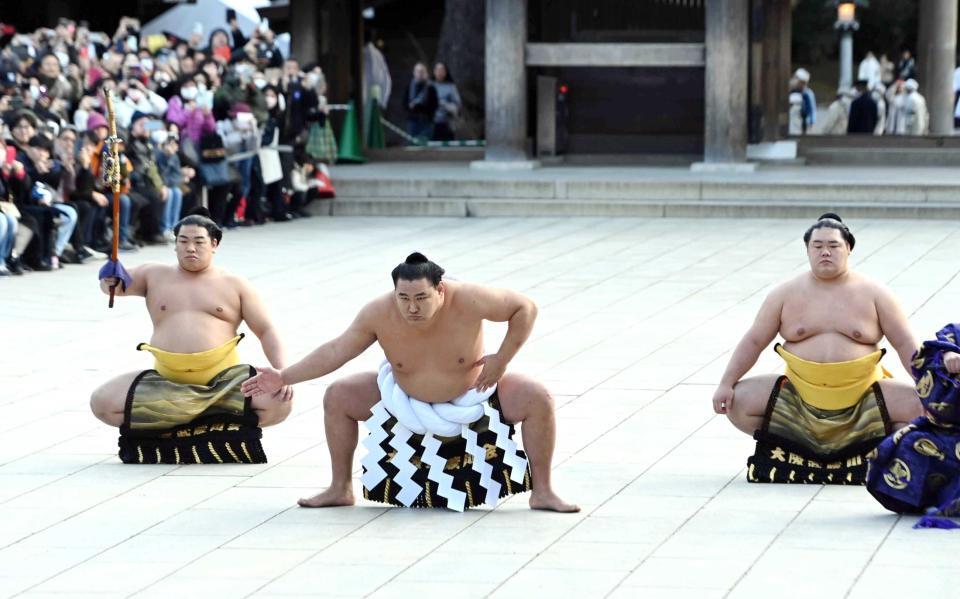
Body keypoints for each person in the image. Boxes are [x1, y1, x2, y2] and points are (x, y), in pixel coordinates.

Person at [242, 252, 579, 512]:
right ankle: (340, 488)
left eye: (421, 297)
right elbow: (337, 350)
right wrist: (284, 376)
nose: (411, 307)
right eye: (404, 298)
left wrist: (502, 359)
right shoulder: (379, 312)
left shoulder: (469, 299)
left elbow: (525, 308)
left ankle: (544, 491)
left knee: (538, 397)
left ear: (440, 289)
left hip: (473, 393)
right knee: (339, 395)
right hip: (402, 398)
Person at [712, 214, 923, 484]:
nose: (825, 251)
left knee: (923, 407)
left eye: (834, 246)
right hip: (799, 396)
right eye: (818, 245)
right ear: (807, 250)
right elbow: (754, 341)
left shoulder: (876, 294)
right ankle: (800, 448)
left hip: (863, 395)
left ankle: (869, 449)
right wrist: (726, 383)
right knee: (737, 402)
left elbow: (905, 343)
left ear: (848, 249)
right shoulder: (784, 294)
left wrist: (926, 384)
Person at [89, 210, 293, 462]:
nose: (190, 248)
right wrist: (108, 277)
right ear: (174, 245)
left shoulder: (235, 284)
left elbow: (266, 330)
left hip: (223, 382)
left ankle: (194, 420)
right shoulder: (153, 274)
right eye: (183, 241)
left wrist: (282, 371)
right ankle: (199, 420)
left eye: (199, 242)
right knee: (102, 403)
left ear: (214, 244)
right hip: (166, 380)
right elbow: (115, 286)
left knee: (279, 403)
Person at [866, 323, 960, 527]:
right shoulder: (956, 332)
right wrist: (946, 355)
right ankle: (917, 500)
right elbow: (936, 348)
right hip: (953, 429)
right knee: (911, 442)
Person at [404, 62, 438, 141]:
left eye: (422, 71)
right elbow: (404, 103)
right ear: (414, 73)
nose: (420, 74)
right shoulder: (409, 86)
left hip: (427, 122)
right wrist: (410, 107)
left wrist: (419, 107)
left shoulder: (431, 88)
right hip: (412, 122)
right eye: (418, 71)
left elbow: (434, 105)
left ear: (426, 73)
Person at [431, 62, 461, 142]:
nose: (439, 72)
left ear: (446, 72)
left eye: (442, 70)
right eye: (437, 70)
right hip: (430, 124)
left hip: (447, 123)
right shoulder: (429, 85)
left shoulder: (451, 87)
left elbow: (457, 104)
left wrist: (445, 105)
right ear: (434, 71)